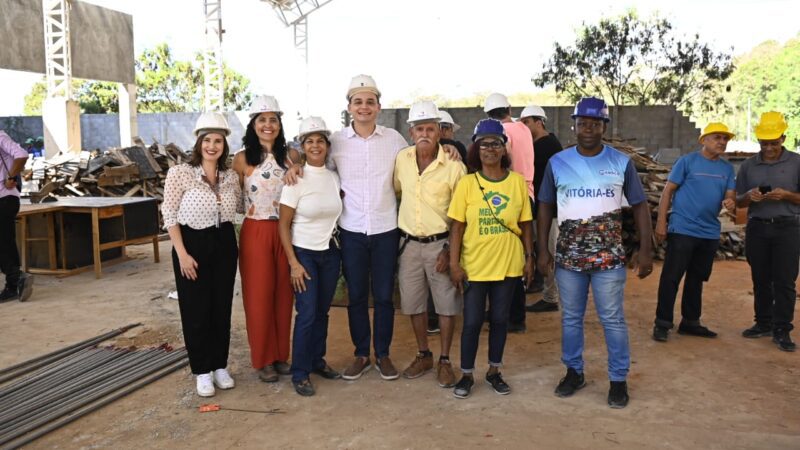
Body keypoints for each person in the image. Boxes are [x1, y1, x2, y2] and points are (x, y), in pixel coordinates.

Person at [537, 97, 653, 409]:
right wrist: (542, 252)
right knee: (571, 318)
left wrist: (646, 249)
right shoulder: (558, 162)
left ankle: (618, 379)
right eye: (583, 122)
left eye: (595, 123)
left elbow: (640, 205)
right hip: (568, 260)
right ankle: (574, 372)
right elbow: (545, 205)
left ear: (604, 127)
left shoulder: (620, 163)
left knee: (612, 319)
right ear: (574, 125)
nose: (588, 128)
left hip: (609, 261)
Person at [448, 118, 534, 399]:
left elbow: (525, 224)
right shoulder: (467, 184)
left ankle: (494, 371)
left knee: (499, 319)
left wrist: (529, 257)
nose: (490, 149)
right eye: (484, 144)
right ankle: (467, 374)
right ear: (476, 148)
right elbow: (457, 227)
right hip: (475, 265)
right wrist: (454, 263)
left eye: (495, 143)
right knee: (472, 322)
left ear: (504, 148)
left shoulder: (518, 183)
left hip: (509, 263)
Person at [161, 112, 241, 397]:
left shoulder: (230, 176)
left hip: (224, 241)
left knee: (221, 308)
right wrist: (182, 253)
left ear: (224, 145)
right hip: (191, 242)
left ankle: (219, 366)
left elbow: (241, 206)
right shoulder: (180, 173)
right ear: (198, 142)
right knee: (196, 310)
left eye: (218, 140)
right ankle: (202, 371)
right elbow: (169, 213)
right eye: (207, 139)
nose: (212, 146)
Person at [395, 101, 466, 389]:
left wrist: (450, 251)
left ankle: (445, 359)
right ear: (411, 132)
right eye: (419, 128)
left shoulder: (454, 166)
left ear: (440, 132)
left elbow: (462, 214)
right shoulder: (401, 160)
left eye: (430, 128)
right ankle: (423, 354)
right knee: (413, 304)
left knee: (447, 306)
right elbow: (397, 190)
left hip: (441, 244)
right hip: (409, 244)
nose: (424, 133)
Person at [232, 95, 301, 383]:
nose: (268, 125)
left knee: (284, 296)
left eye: (273, 119)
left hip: (286, 230)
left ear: (280, 124)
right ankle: (262, 359)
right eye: (262, 120)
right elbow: (234, 199)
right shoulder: (241, 158)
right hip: (256, 229)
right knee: (258, 296)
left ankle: (280, 355)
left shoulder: (293, 156)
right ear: (253, 124)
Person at [652, 123, 736, 342]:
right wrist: (661, 222)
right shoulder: (687, 162)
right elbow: (667, 192)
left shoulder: (727, 169)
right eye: (717, 137)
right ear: (704, 140)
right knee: (671, 277)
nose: (722, 142)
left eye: (725, 139)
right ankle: (662, 323)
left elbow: (730, 196)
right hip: (683, 228)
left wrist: (730, 202)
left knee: (697, 278)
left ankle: (690, 322)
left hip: (709, 232)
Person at [278, 116, 343, 396]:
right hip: (304, 254)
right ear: (302, 147)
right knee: (306, 314)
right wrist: (293, 263)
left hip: (330, 253)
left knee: (322, 312)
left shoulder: (333, 176)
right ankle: (300, 372)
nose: (315, 145)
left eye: (320, 141)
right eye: (309, 141)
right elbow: (283, 225)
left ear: (327, 146)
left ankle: (317, 360)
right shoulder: (296, 179)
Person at [736, 111, 800, 352]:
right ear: (759, 141)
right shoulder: (748, 166)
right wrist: (749, 197)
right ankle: (763, 322)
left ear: (783, 138)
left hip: (788, 228)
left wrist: (788, 196)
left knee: (785, 280)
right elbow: (740, 202)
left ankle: (782, 328)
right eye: (765, 143)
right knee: (760, 277)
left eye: (774, 143)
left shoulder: (796, 162)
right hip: (758, 228)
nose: (769, 148)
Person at [484, 93, 535, 333]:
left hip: (509, 196)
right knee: (517, 257)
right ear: (509, 108)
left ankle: (509, 316)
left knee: (503, 259)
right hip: (529, 194)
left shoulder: (499, 134)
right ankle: (517, 316)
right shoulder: (524, 128)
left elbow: (507, 161)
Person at [426, 110, 466, 335]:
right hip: (437, 227)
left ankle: (440, 318)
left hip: (447, 228)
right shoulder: (411, 156)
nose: (446, 133)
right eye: (444, 128)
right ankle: (437, 317)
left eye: (446, 128)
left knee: (443, 276)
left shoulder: (454, 154)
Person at [519, 105, 563, 311]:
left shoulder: (547, 145)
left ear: (539, 122)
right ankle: (540, 285)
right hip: (540, 209)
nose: (523, 126)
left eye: (526, 122)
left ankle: (551, 297)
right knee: (540, 249)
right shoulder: (537, 145)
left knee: (550, 250)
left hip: (550, 211)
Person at [0, 131, 33, 303]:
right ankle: (15, 279)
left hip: (5, 198)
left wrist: (11, 176)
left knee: (4, 242)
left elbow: (21, 155)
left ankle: (15, 281)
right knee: (5, 241)